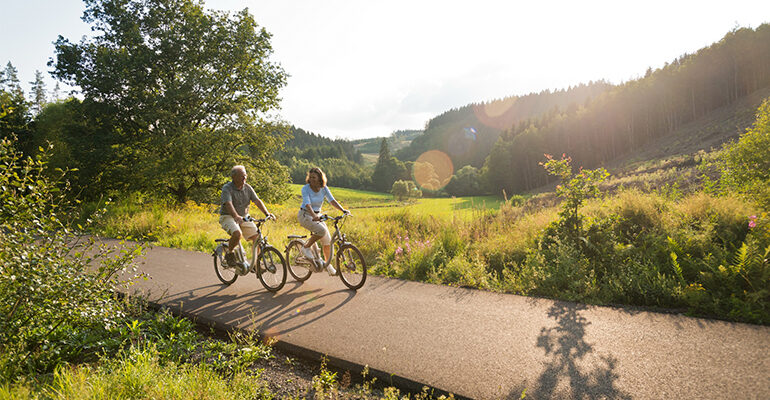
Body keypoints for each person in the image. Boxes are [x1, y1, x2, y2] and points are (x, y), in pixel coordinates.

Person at [219, 165, 275, 268]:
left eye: (245, 176)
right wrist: (236, 216)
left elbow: (257, 201)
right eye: (241, 176)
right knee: (237, 233)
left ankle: (255, 263)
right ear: (233, 177)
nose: (244, 178)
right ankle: (229, 253)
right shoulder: (227, 188)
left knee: (258, 238)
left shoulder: (248, 187)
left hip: (244, 217)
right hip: (228, 216)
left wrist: (267, 213)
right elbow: (228, 203)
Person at [297, 167, 349, 275]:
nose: (312, 180)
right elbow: (307, 204)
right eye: (310, 177)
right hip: (305, 214)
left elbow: (332, 200)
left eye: (314, 177)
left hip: (317, 215)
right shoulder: (305, 188)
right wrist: (313, 216)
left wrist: (343, 210)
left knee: (328, 241)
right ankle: (305, 248)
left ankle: (328, 265)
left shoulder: (324, 188)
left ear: (320, 178)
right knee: (321, 231)